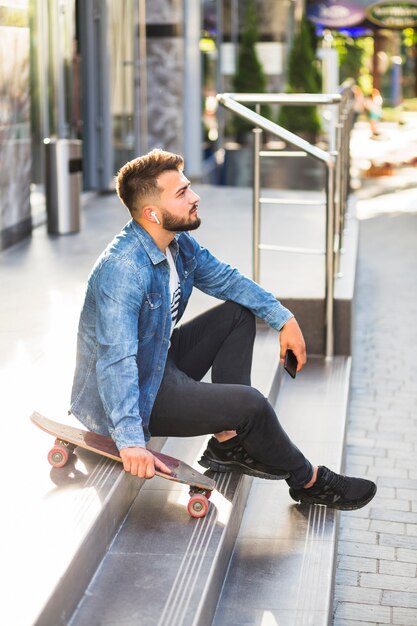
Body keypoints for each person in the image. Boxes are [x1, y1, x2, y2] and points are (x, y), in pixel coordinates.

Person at [70, 149, 376, 510]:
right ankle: (308, 480)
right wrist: (130, 439)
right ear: (152, 213)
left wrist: (283, 318)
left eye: (189, 188)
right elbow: (115, 359)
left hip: (154, 363)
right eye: (182, 193)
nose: (195, 197)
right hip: (133, 397)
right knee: (251, 405)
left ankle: (229, 442)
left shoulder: (176, 242)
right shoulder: (123, 270)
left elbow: (227, 280)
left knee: (237, 314)